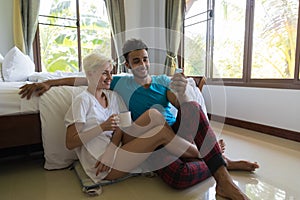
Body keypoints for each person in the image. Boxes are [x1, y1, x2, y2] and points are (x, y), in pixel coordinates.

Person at [20, 39, 259, 199]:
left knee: (186, 110)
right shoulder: (116, 84)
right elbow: (81, 81)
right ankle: (217, 157)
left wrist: (182, 93)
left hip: (175, 134)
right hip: (144, 144)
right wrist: (49, 82)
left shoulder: (158, 83)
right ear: (128, 64)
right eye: (136, 61)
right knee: (178, 175)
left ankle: (220, 169)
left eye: (145, 59)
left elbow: (179, 107)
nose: (143, 64)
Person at [64, 52, 200, 183]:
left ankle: (192, 151)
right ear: (90, 74)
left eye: (111, 72)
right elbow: (70, 143)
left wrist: (111, 151)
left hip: (116, 149)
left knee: (154, 114)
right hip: (102, 164)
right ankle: (204, 154)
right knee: (161, 133)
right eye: (104, 73)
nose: (110, 77)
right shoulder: (82, 101)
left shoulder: (113, 97)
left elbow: (122, 128)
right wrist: (102, 127)